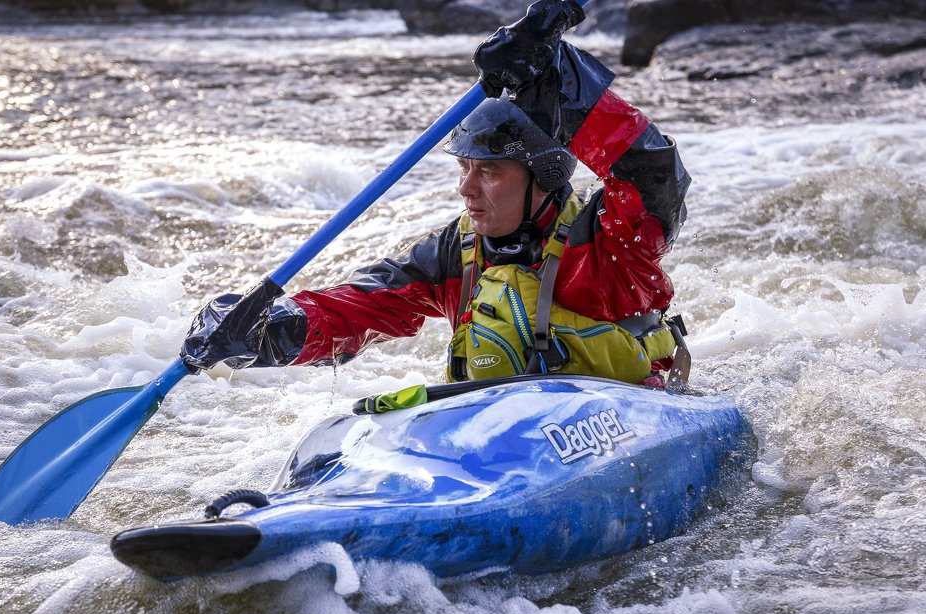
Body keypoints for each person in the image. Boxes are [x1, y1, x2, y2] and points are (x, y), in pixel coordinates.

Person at [180, 0, 691, 388]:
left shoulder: (614, 240)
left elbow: (652, 172)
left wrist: (561, 74)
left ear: (546, 177)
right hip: (508, 438)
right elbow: (362, 304)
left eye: (489, 171)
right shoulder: (455, 251)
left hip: (623, 415)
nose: (465, 188)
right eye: (465, 168)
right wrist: (273, 331)